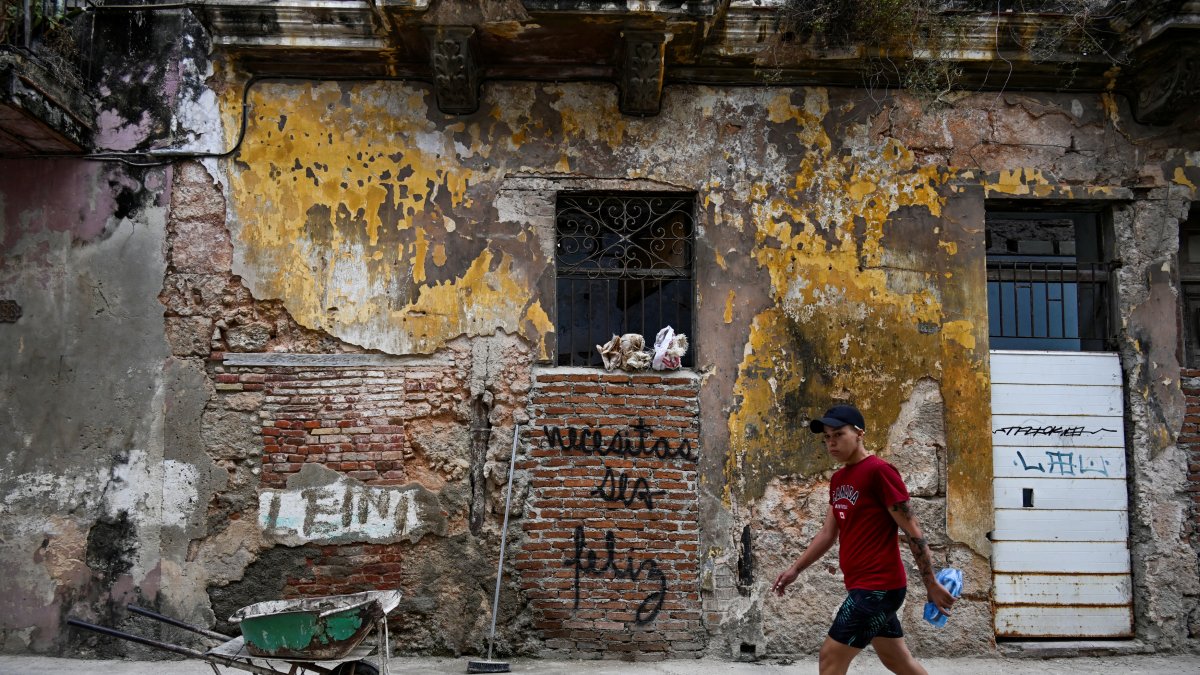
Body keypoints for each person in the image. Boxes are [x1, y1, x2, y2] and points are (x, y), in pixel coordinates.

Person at [772, 404, 955, 675]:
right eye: (826, 438)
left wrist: (931, 583)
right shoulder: (839, 479)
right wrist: (795, 569)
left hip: (878, 588)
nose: (831, 443)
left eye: (838, 434)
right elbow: (828, 533)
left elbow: (913, 530)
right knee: (898, 661)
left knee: (830, 657)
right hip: (863, 586)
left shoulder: (880, 472)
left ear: (859, 433)